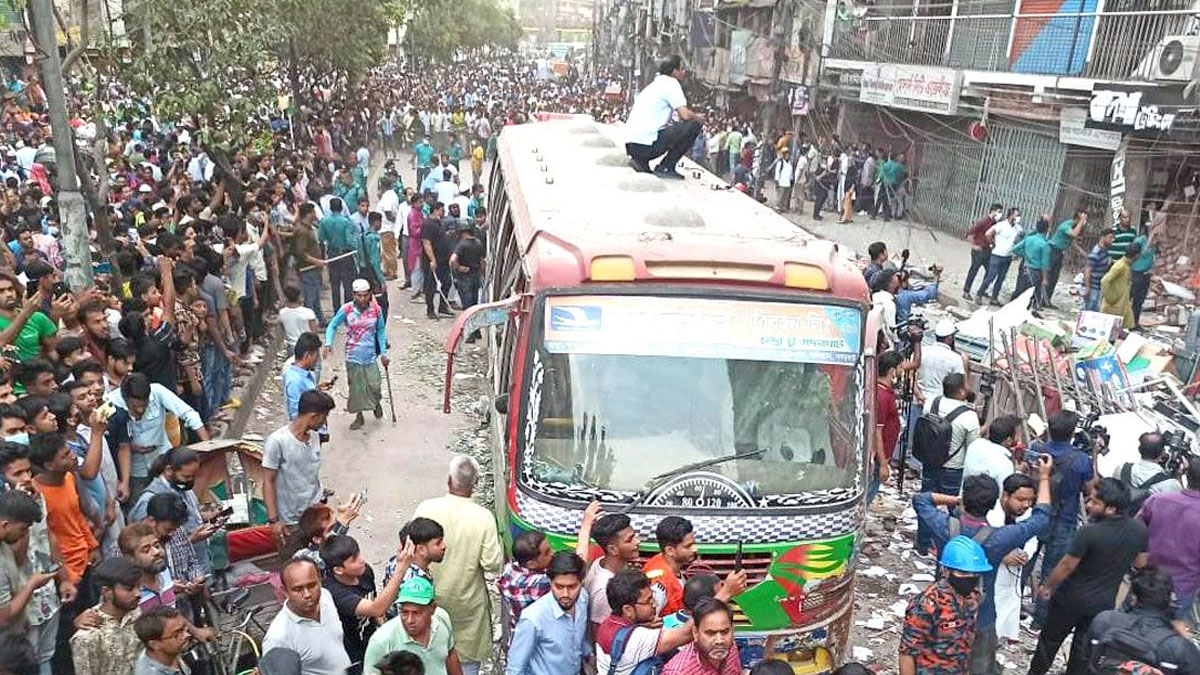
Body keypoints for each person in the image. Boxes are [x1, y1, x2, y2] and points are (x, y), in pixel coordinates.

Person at [912, 458, 1052, 674]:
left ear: (965, 500)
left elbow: (921, 499)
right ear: (995, 501)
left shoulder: (944, 527)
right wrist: (1043, 477)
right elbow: (1041, 519)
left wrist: (957, 499)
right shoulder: (999, 539)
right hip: (981, 616)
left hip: (941, 611)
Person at [1028, 478, 1149, 675]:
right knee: (1083, 653)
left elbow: (1067, 565)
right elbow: (1140, 563)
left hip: (1069, 599)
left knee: (1048, 643)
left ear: (1110, 508)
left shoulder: (1089, 532)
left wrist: (1048, 587)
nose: (1088, 505)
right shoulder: (1140, 531)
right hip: (1102, 603)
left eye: (1094, 502)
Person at [413, 455, 502, 675]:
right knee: (466, 665)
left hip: (428, 600)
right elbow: (493, 563)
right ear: (476, 484)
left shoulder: (426, 508)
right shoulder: (483, 518)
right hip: (467, 608)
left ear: (448, 480)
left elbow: (411, 549)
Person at [1028, 410, 1097, 631]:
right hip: (1064, 520)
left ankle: (1014, 602)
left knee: (1025, 559)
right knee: (1050, 570)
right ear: (1072, 432)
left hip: (1036, 511)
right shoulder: (1081, 460)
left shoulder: (1037, 449)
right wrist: (1093, 455)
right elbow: (1090, 489)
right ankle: (1039, 618)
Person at [103, 372, 208, 502]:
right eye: (135, 407)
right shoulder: (110, 402)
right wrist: (130, 447)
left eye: (144, 405)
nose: (140, 410)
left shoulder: (158, 391)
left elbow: (189, 414)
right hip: (136, 470)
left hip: (162, 460)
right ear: (125, 398)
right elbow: (108, 441)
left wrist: (207, 444)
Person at [322, 534, 414, 674]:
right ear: (338, 570)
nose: (362, 560)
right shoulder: (334, 593)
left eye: (359, 554)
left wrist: (384, 629)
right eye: (354, 559)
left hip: (370, 639)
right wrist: (401, 569)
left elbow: (375, 604)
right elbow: (376, 608)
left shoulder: (365, 572)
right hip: (350, 654)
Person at [899, 536, 991, 675]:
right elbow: (907, 653)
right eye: (963, 572)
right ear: (946, 571)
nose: (970, 577)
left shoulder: (973, 596)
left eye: (974, 573)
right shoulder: (927, 605)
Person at [914, 373, 980, 558]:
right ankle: (954, 546)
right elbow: (973, 447)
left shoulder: (931, 403)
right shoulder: (969, 416)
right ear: (960, 391)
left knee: (927, 502)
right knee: (956, 508)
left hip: (929, 462)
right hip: (953, 469)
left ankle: (923, 544)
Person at [1087, 565, 1200, 673]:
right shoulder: (1178, 648)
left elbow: (1089, 656)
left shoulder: (1104, 621)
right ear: (1170, 600)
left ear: (1133, 599)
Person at [128, 448, 216, 575]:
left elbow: (190, 516)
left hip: (197, 567)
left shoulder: (183, 488)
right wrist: (191, 539)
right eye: (186, 476)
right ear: (169, 470)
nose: (190, 480)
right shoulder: (148, 500)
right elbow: (147, 545)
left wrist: (205, 517)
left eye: (193, 476)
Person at [264, 389, 336, 544]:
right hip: (291, 520)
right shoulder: (278, 442)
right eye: (324, 417)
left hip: (315, 514)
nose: (325, 422)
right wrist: (274, 520)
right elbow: (268, 481)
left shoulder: (315, 437)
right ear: (313, 416)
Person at [0, 489, 57, 675]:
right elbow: (3, 617)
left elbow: (19, 563)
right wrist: (32, 584)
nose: (25, 534)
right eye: (23, 529)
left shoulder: (5, 542)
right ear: (6, 525)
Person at [262, 558, 353, 675]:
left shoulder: (325, 596)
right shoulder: (278, 637)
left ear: (320, 581)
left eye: (312, 585)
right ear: (285, 591)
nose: (307, 594)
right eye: (298, 589)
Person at [505, 552, 590, 675]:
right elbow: (515, 669)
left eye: (572, 587)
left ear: (581, 582)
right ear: (550, 582)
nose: (565, 594)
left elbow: (579, 640)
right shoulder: (533, 619)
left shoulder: (583, 599)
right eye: (559, 587)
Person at [1137, 456, 1200, 619]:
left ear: (1187, 472)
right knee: (1164, 638)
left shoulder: (1158, 500)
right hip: (1180, 591)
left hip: (1145, 581)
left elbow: (1134, 532)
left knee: (1125, 632)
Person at [362, 576, 463, 675]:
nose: (409, 620)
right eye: (405, 612)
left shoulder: (442, 618)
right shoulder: (381, 641)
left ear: (432, 609)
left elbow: (450, 655)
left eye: (416, 613)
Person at [624, 55, 703, 179]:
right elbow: (685, 115)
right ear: (674, 72)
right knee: (694, 124)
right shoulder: (671, 84)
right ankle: (666, 166)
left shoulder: (654, 85)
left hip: (631, 146)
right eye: (682, 69)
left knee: (671, 128)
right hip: (646, 146)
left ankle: (641, 162)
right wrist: (698, 117)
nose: (684, 72)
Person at [324, 279, 389, 430]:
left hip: (370, 355)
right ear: (353, 295)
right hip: (353, 355)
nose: (362, 299)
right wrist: (328, 343)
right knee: (356, 388)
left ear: (370, 294)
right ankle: (359, 416)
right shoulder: (346, 310)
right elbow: (333, 325)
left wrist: (384, 353)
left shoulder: (376, 310)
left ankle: (376, 402)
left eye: (365, 295)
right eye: (359, 296)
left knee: (375, 385)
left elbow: (380, 330)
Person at [70, 556, 144, 675]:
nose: (138, 594)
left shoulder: (136, 613)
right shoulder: (88, 636)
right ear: (107, 592)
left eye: (139, 586)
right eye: (129, 589)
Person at [585, 512, 642, 630]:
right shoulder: (603, 589)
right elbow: (600, 630)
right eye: (630, 540)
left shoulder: (601, 561)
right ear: (612, 549)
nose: (637, 542)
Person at [961, 415, 1021, 525]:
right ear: (1008, 440)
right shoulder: (1004, 464)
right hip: (988, 517)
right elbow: (1004, 497)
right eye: (1017, 435)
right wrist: (1018, 473)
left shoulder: (975, 445)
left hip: (964, 504)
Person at [660, 597, 739, 675]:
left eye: (725, 632)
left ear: (732, 629)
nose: (719, 641)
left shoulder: (731, 649)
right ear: (695, 633)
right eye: (710, 633)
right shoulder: (678, 672)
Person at [643, 516, 697, 617]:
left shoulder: (667, 565)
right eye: (688, 546)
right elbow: (650, 621)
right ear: (670, 550)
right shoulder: (659, 585)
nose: (695, 549)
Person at [1116, 432, 1183, 510]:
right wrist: (1178, 476)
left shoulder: (1121, 469)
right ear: (1162, 453)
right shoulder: (1170, 484)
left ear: (1139, 449)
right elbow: (1177, 508)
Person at [319, 197, 360, 310]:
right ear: (342, 208)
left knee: (335, 285)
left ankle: (337, 310)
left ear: (330, 208)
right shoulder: (346, 222)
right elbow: (349, 240)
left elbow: (321, 238)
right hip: (345, 255)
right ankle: (347, 309)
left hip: (332, 254)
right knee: (348, 284)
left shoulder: (324, 222)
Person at [283, 332, 333, 424]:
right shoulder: (295, 381)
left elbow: (305, 397)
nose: (317, 359)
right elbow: (295, 412)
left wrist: (316, 389)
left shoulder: (306, 374)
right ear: (307, 356)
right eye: (316, 356)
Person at [977, 207, 1022, 305]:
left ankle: (994, 298)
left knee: (1001, 278)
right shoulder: (1001, 225)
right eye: (1016, 215)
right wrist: (992, 244)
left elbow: (1019, 239)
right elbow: (988, 233)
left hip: (1008, 256)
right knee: (991, 276)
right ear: (1010, 215)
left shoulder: (1018, 228)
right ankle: (979, 293)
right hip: (997, 255)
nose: (1018, 217)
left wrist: (1016, 251)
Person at [1045, 208, 1087, 308]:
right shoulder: (1066, 225)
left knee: (1054, 278)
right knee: (1048, 276)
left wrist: (1082, 252)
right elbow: (1073, 234)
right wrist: (1081, 222)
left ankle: (1046, 301)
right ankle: (1039, 299)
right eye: (1084, 219)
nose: (1085, 222)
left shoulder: (1072, 226)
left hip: (1060, 253)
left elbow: (1072, 241)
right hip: (1053, 251)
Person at [419, 204, 454, 321]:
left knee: (447, 282)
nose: (442, 212)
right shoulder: (427, 224)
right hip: (433, 260)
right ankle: (430, 309)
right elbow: (426, 243)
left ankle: (442, 306)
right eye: (441, 210)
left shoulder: (439, 222)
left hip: (443, 260)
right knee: (431, 286)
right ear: (435, 210)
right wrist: (432, 260)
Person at [132, 606, 191, 675]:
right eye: (176, 635)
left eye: (184, 629)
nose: (187, 635)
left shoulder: (172, 652)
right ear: (154, 644)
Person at [1010, 217, 1052, 310]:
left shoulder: (1029, 239)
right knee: (1031, 293)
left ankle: (1012, 307)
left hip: (1025, 267)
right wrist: (1045, 279)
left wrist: (1024, 255)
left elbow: (1015, 249)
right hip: (1036, 272)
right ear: (1046, 230)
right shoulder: (1045, 245)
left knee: (1020, 289)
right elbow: (1044, 264)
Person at [965, 204, 1002, 301]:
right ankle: (966, 291)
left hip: (988, 251)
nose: (1000, 214)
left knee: (990, 271)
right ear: (992, 211)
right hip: (979, 250)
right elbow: (970, 233)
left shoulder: (995, 223)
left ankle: (983, 290)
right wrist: (974, 246)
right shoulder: (983, 221)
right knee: (974, 270)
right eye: (998, 212)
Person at [1101, 241, 1138, 328]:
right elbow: (1104, 281)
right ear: (1136, 255)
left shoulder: (1126, 266)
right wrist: (1110, 298)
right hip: (1114, 305)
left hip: (1123, 303)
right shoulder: (1120, 266)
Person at [279, 286, 319, 354]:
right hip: (307, 346)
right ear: (299, 297)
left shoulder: (282, 312)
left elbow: (283, 327)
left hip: (292, 346)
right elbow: (314, 332)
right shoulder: (308, 312)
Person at [1083, 228, 1114, 313]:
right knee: (1089, 311)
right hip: (1093, 286)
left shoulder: (1105, 251)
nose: (1112, 240)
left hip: (1099, 285)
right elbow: (1087, 269)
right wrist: (1087, 287)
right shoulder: (1096, 252)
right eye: (1110, 237)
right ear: (1102, 237)